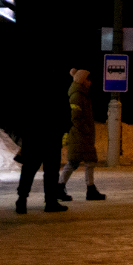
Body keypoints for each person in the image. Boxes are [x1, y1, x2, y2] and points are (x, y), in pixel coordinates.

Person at [56, 69, 106, 201]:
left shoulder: (82, 94)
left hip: (81, 135)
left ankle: (64, 187)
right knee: (78, 162)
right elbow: (76, 117)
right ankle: (87, 189)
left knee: (81, 162)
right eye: (88, 80)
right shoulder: (77, 95)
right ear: (83, 81)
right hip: (79, 135)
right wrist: (86, 130)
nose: (90, 82)